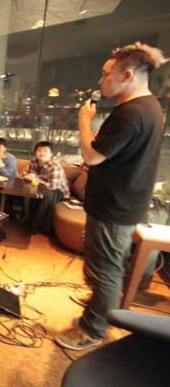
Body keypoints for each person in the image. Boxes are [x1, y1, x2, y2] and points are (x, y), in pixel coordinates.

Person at [55, 42, 167, 351]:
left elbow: (92, 156)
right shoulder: (150, 107)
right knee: (106, 266)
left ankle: (93, 329)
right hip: (124, 202)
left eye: (106, 74)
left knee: (105, 270)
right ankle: (99, 309)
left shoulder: (130, 113)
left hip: (114, 207)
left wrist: (83, 120)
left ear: (127, 75)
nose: (101, 80)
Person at [21, 141, 69, 235]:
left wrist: (35, 178)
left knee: (45, 195)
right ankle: (27, 220)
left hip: (58, 192)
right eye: (39, 150)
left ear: (51, 154)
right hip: (40, 188)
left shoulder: (54, 166)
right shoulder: (32, 162)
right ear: (35, 152)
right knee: (28, 192)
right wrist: (26, 176)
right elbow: (23, 175)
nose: (42, 153)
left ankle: (38, 225)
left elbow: (53, 186)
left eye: (45, 151)